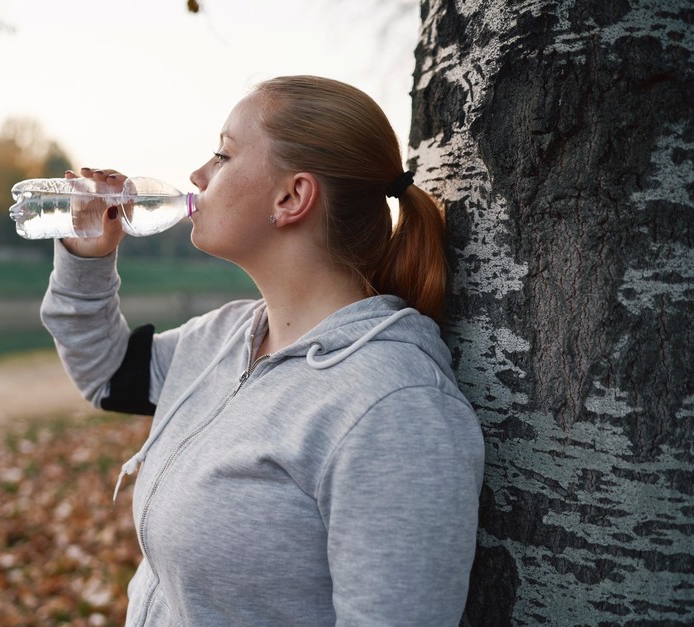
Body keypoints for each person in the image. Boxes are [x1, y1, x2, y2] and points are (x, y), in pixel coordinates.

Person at [40, 75, 484, 626]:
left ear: (292, 197)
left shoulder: (395, 411)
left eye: (223, 155)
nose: (197, 176)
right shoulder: (228, 337)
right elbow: (109, 374)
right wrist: (86, 259)